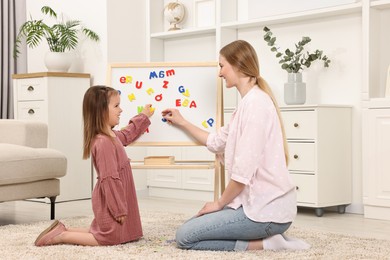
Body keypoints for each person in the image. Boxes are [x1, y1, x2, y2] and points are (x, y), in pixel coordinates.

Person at [161, 40, 310, 251]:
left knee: (185, 237)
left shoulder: (256, 104)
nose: (220, 73)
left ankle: (267, 243)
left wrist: (218, 204)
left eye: (222, 66)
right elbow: (215, 141)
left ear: (238, 65)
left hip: (267, 213)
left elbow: (241, 175)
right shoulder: (246, 105)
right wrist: (182, 121)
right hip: (256, 207)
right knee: (190, 226)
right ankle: (263, 239)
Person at [34, 85, 154, 246]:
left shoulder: (112, 135)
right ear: (101, 111)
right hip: (112, 199)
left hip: (118, 196)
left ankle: (64, 229)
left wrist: (143, 116)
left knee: (113, 232)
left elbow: (127, 135)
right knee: (107, 238)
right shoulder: (103, 142)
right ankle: (62, 236)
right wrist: (118, 208)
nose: (121, 110)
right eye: (116, 106)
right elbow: (109, 178)